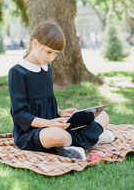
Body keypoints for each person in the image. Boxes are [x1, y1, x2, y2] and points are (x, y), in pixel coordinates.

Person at [8, 21, 115, 160]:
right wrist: (49, 124)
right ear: (35, 43)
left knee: (103, 116)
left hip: (55, 123)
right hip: (32, 132)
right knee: (56, 135)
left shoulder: (46, 67)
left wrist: (60, 112)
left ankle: (71, 144)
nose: (52, 58)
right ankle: (94, 137)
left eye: (56, 54)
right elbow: (19, 114)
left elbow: (45, 100)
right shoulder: (17, 72)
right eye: (49, 52)